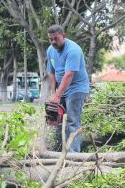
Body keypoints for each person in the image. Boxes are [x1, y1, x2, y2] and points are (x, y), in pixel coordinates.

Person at [46, 24, 90, 152]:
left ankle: (73, 154)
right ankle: (59, 150)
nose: (53, 41)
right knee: (57, 120)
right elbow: (51, 73)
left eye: (56, 38)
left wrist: (58, 96)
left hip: (77, 88)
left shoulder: (73, 50)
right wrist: (53, 94)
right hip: (62, 89)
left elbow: (69, 74)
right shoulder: (50, 50)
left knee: (72, 121)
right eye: (51, 39)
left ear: (63, 36)